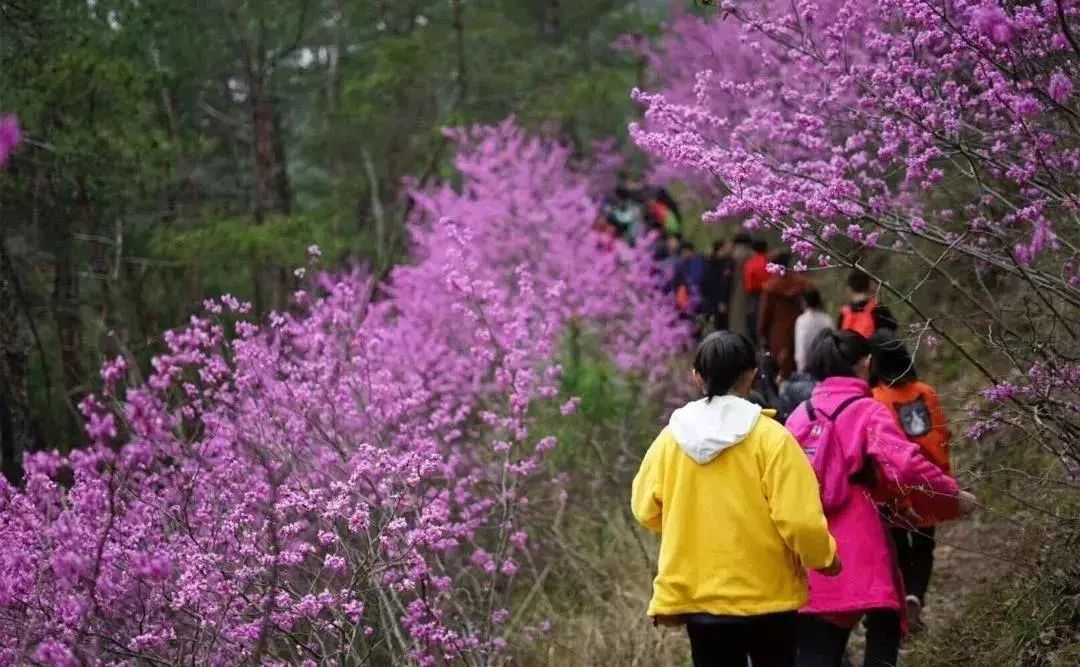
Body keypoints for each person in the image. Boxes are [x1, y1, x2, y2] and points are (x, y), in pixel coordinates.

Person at [632, 331, 840, 667]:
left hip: (701, 599)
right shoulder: (772, 439)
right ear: (751, 374)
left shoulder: (670, 440)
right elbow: (799, 519)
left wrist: (687, 522)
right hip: (769, 598)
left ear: (697, 377)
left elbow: (645, 509)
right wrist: (824, 558)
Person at [784, 331, 972, 667]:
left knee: (818, 648)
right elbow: (907, 465)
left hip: (808, 540)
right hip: (861, 539)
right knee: (883, 626)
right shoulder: (868, 411)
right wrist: (950, 498)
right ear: (866, 363)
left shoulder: (800, 415)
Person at [869, 330, 953, 631]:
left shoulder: (875, 399)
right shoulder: (926, 392)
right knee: (924, 546)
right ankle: (917, 595)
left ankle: (903, 601)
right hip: (928, 480)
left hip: (893, 489)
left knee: (899, 548)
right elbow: (943, 435)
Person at [757, 252, 810, 379]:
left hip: (778, 332)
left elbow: (765, 313)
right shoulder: (802, 284)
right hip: (799, 328)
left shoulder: (770, 288)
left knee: (781, 369)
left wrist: (761, 332)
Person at [838, 270, 898, 337]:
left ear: (849, 289)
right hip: (872, 346)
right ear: (869, 286)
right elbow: (892, 333)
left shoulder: (844, 312)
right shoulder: (879, 309)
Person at [795, 288, 835, 374]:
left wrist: (801, 367)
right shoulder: (828, 320)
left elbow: (801, 346)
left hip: (809, 368)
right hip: (827, 366)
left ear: (804, 302)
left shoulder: (802, 321)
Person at [701, 239, 735, 331]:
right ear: (721, 248)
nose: (731, 248)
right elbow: (718, 283)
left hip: (718, 300)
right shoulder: (718, 263)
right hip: (717, 300)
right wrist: (722, 301)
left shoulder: (725, 261)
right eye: (727, 246)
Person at [743, 239, 771, 344]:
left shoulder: (750, 264)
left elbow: (749, 286)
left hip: (756, 296)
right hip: (772, 295)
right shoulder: (770, 262)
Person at [728, 232, 754, 338]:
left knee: (737, 318)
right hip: (751, 290)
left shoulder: (733, 255)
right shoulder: (752, 254)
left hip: (735, 290)